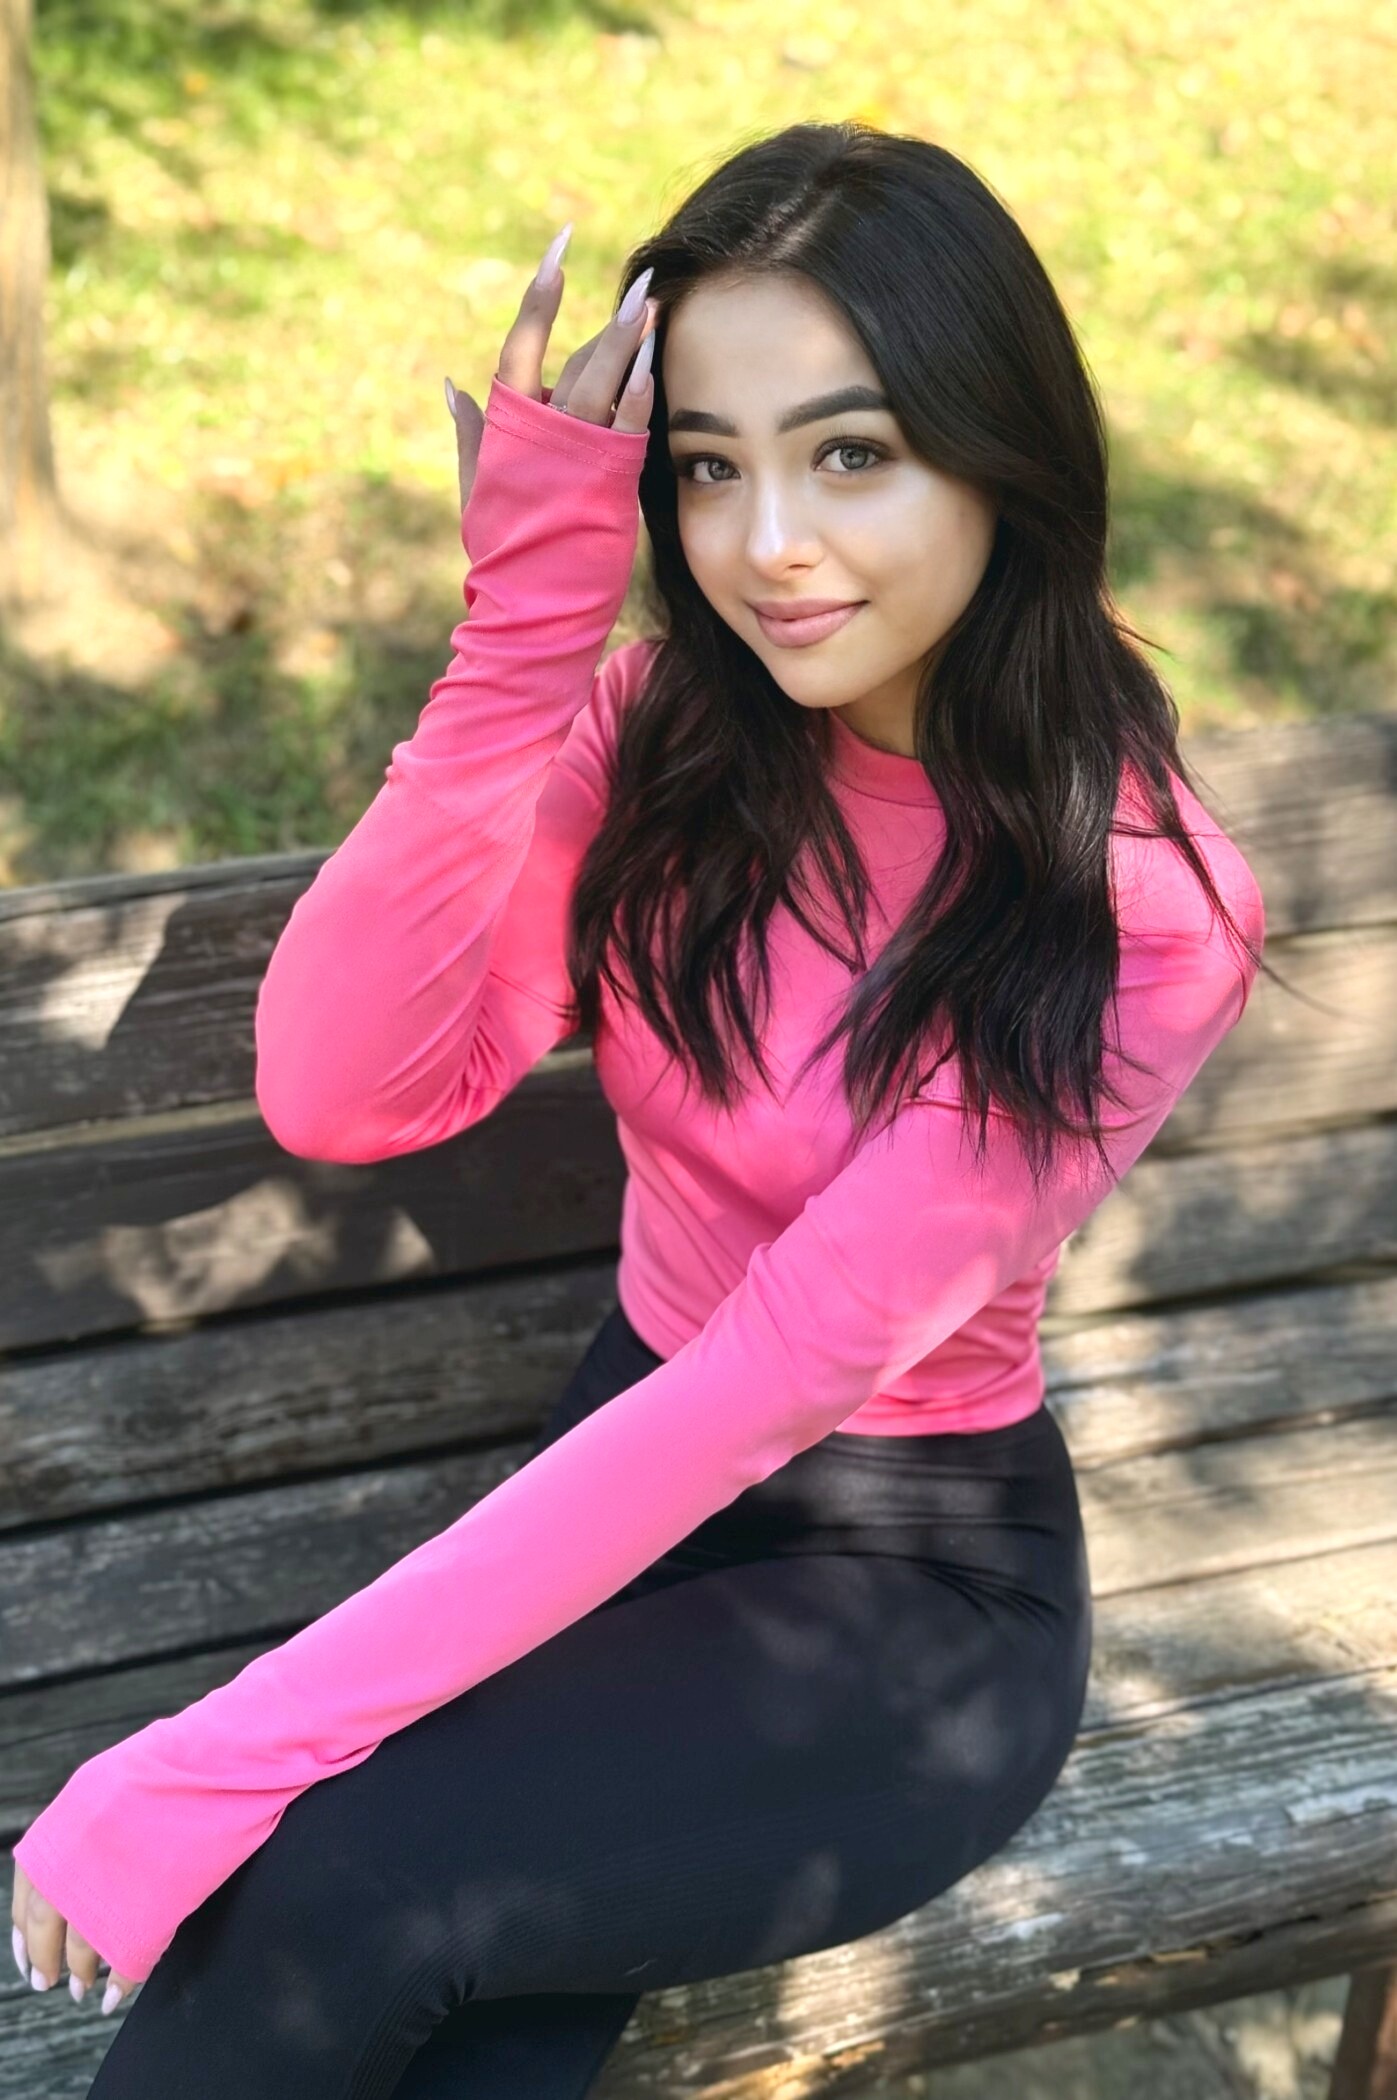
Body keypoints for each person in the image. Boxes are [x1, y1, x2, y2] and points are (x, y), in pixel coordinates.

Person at [10, 120, 1265, 2098]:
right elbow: (343, 1092)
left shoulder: (1137, 904)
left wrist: (205, 1756)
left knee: (336, 1886)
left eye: (849, 454)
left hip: (905, 1593)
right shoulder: (675, 740)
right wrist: (519, 630)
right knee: (445, 2011)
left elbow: (779, 1372)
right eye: (705, 464)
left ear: (1000, 455)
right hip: (626, 1483)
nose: (768, 545)